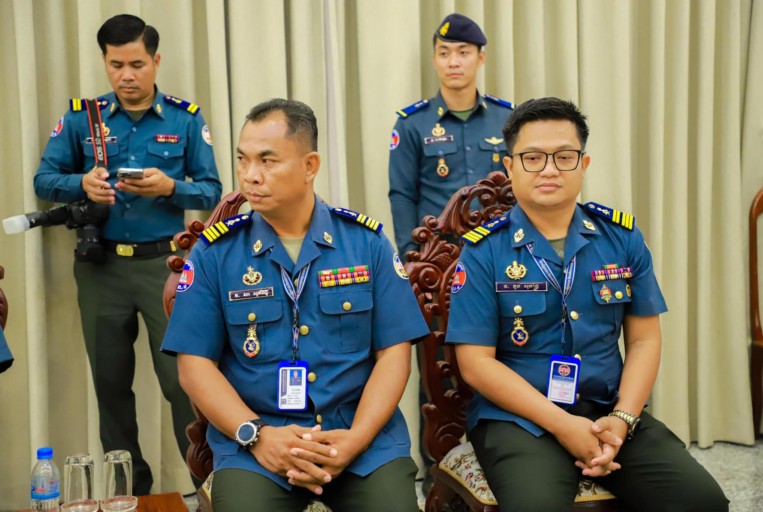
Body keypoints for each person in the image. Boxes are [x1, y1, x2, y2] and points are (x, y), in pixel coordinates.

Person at [445, 97, 729, 511]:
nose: (549, 169)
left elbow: (645, 340)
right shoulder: (483, 251)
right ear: (510, 166)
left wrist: (623, 419)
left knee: (703, 503)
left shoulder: (621, 238)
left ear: (584, 164)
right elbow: (475, 363)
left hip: (607, 409)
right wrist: (563, 425)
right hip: (518, 419)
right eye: (533, 158)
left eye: (564, 157)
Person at [162, 98, 430, 511]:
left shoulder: (366, 243)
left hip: (358, 439)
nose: (250, 175)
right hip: (256, 444)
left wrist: (356, 439)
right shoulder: (216, 253)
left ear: (310, 166)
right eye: (243, 160)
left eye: (267, 161)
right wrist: (256, 435)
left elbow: (394, 354)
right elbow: (194, 365)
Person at [33, 14, 222, 495]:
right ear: (105, 62)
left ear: (156, 61)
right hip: (102, 268)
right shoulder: (82, 118)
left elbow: (212, 190)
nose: (127, 75)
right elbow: (43, 180)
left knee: (182, 383)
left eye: (137, 64)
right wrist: (82, 183)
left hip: (165, 268)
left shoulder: (184, 118)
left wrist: (170, 187)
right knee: (111, 386)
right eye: (116, 65)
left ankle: (206, 487)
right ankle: (130, 493)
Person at [388, 12, 514, 257]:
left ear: (481, 58)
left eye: (463, 52)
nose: (453, 62)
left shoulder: (507, 119)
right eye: (444, 53)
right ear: (434, 60)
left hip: (500, 247)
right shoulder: (411, 123)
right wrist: (411, 256)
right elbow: (402, 195)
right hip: (438, 253)